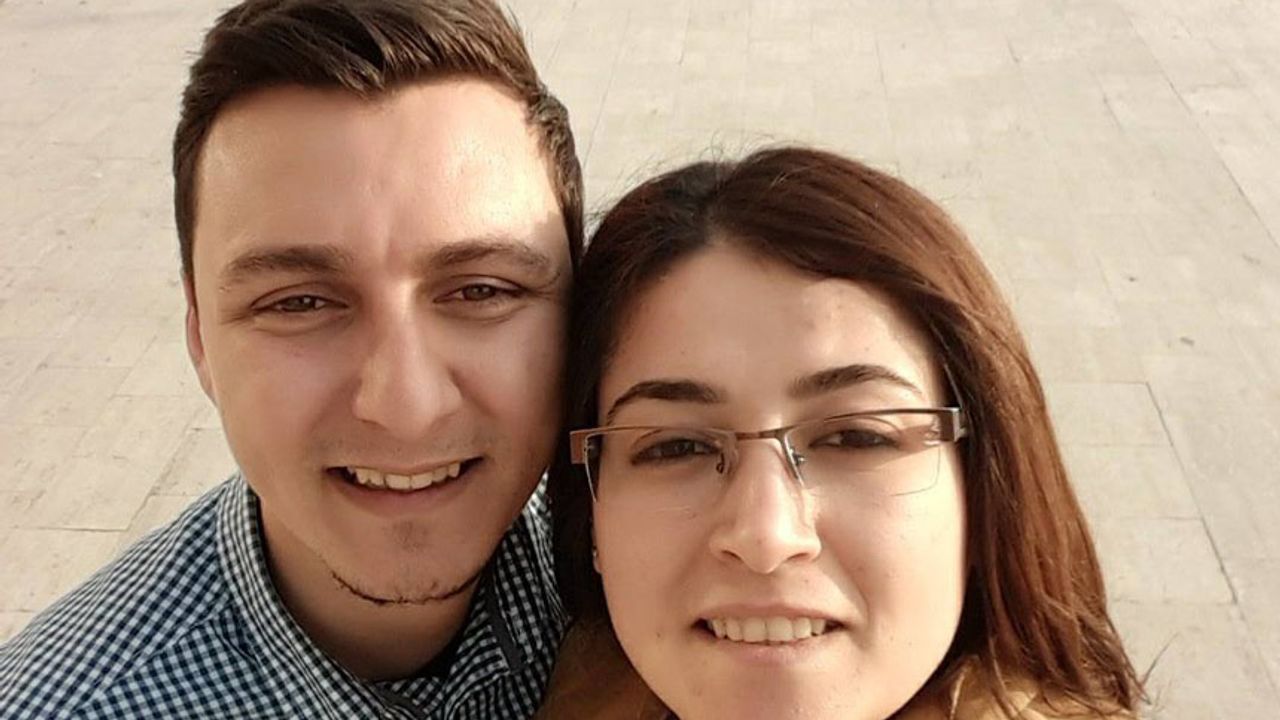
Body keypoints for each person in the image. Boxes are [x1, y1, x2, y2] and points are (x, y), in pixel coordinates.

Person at [0, 1, 581, 717]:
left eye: (481, 290)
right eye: (299, 303)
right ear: (199, 337)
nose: (406, 405)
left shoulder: (657, 595)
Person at [542, 147, 1143, 719]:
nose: (766, 537)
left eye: (856, 438)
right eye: (678, 447)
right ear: (589, 521)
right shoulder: (568, 695)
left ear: (983, 493)